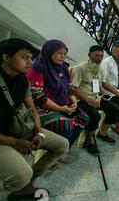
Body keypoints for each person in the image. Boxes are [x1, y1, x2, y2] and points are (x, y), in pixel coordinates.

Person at [0, 38, 69, 201]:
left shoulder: (22, 79)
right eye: (25, 57)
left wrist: (38, 131)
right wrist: (14, 142)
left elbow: (32, 109)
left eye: (31, 57)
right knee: (21, 175)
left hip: (15, 129)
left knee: (62, 145)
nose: (30, 62)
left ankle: (25, 186)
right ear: (6, 57)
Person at [26, 40, 89, 168]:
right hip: (40, 109)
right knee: (65, 125)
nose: (62, 56)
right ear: (49, 52)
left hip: (62, 106)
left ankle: (62, 150)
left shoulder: (63, 68)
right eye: (59, 53)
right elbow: (37, 96)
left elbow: (70, 87)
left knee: (83, 118)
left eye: (64, 54)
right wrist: (61, 108)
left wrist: (73, 102)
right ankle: (49, 155)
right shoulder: (38, 67)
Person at [70, 45, 119, 155]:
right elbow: (73, 88)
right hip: (80, 100)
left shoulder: (98, 68)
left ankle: (103, 133)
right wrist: (88, 100)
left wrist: (104, 96)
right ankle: (88, 140)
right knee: (95, 115)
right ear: (89, 55)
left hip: (95, 98)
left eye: (101, 56)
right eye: (96, 55)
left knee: (115, 109)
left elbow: (98, 86)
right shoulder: (80, 68)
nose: (99, 58)